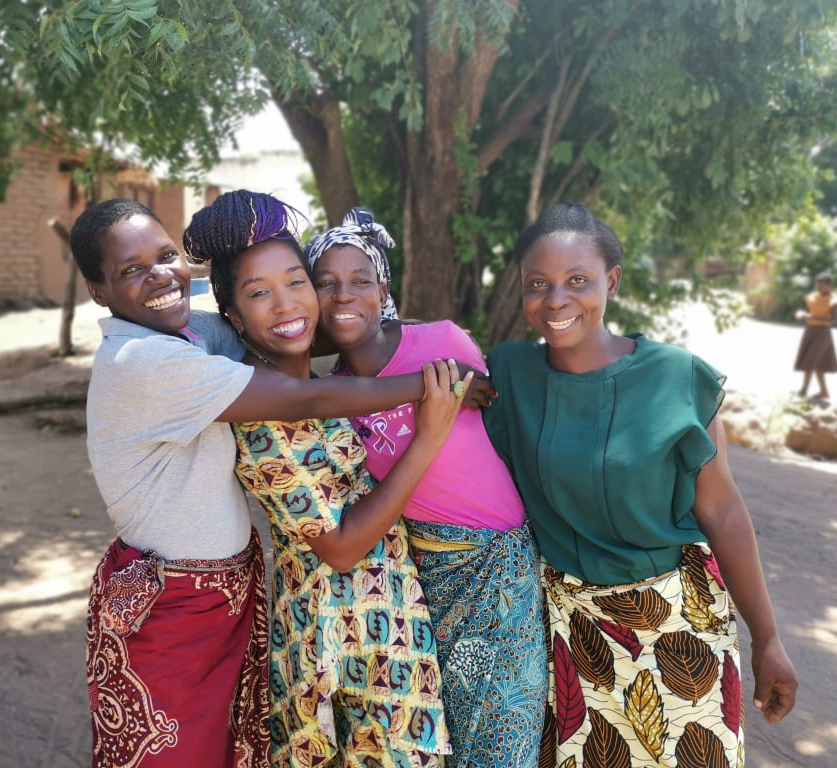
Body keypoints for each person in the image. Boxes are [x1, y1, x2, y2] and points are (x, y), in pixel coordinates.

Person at [70, 198, 463, 768]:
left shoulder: (194, 330)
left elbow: (298, 329)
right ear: (98, 290)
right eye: (132, 270)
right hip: (171, 600)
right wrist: (431, 390)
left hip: (233, 593)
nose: (159, 275)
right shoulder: (138, 360)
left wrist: (407, 332)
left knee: (231, 749)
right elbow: (304, 397)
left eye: (165, 255)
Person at [481, 203, 798, 768]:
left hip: (679, 630)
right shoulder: (510, 374)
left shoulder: (676, 376)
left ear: (612, 280)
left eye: (577, 280)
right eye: (538, 284)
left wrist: (767, 638)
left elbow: (722, 510)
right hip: (569, 636)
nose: (556, 300)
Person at [183, 190, 468, 768]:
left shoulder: (325, 382)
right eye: (259, 293)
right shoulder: (260, 426)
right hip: (343, 639)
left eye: (295, 282)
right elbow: (339, 548)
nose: (286, 304)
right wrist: (430, 436)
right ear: (235, 317)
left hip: (386, 617)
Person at [304, 208, 548, 768]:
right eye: (326, 282)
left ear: (383, 288)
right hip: (416, 583)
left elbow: (502, 432)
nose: (344, 295)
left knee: (501, 744)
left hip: (498, 570)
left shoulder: (442, 342)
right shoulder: (332, 397)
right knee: (438, 746)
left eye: (360, 280)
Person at [794, 271, 837, 400]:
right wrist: (802, 315)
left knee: (811, 361)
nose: (820, 288)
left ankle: (804, 390)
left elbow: (834, 321)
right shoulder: (812, 297)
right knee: (816, 363)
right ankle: (824, 392)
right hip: (810, 331)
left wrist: (813, 317)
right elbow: (806, 313)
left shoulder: (834, 300)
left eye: (823, 286)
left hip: (823, 333)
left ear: (830, 286)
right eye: (818, 285)